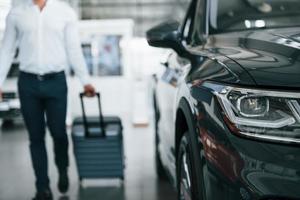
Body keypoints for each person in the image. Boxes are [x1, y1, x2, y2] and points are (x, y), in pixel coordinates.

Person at [0, 0, 96, 199]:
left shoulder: (65, 12)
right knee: (35, 137)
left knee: (59, 133)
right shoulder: (16, 13)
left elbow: (73, 49)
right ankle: (42, 188)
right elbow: (6, 50)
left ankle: (62, 169)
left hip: (56, 82)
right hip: (28, 83)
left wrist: (85, 81)